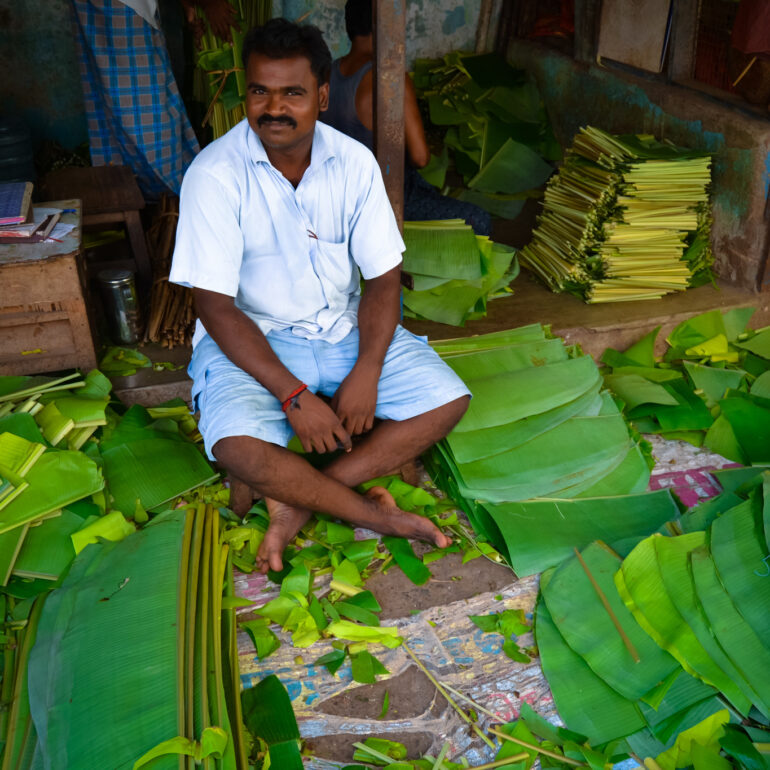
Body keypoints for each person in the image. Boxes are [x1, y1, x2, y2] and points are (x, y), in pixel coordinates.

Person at [169, 18, 471, 574]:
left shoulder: (354, 164)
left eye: (292, 93)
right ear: (247, 92)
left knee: (447, 400)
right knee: (236, 448)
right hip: (252, 342)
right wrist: (293, 398)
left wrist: (368, 370)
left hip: (338, 327)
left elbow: (382, 281)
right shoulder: (214, 174)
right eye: (260, 91)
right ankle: (375, 514)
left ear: (322, 97)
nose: (273, 108)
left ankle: (298, 501)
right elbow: (214, 305)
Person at [321, 0, 492, 235]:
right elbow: (421, 157)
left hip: (335, 193)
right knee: (481, 220)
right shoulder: (389, 76)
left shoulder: (328, 72)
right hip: (379, 198)